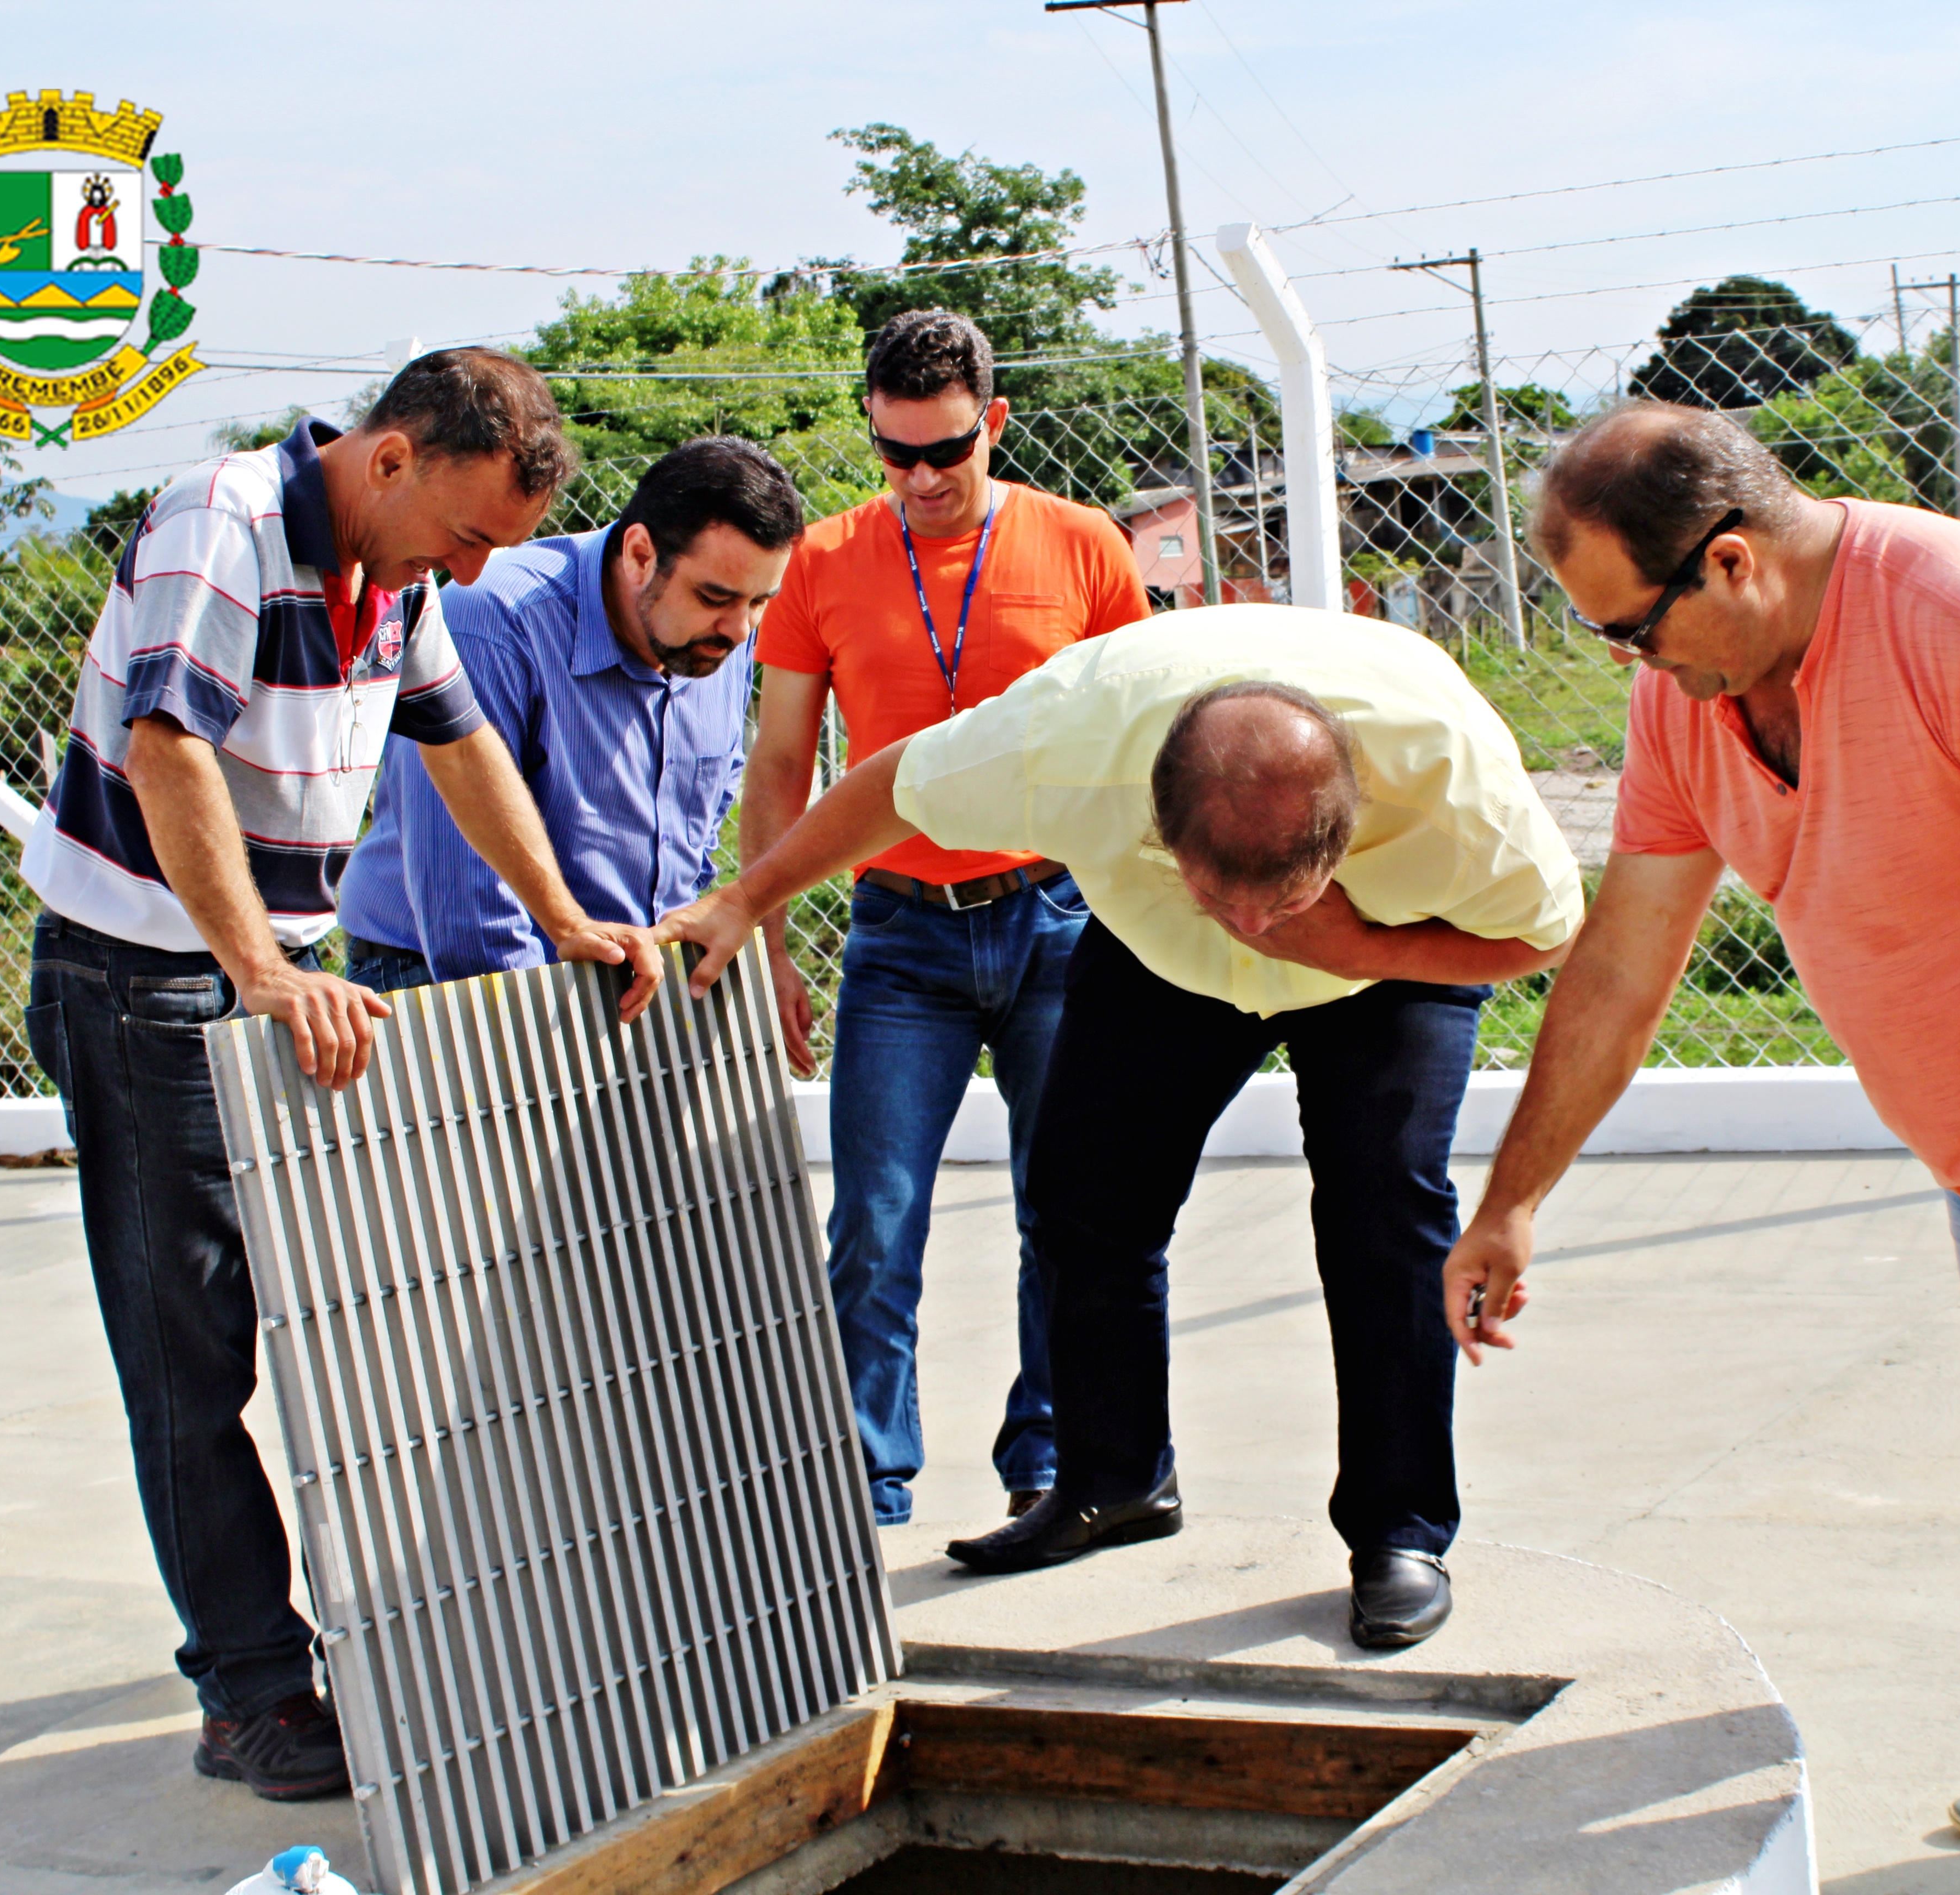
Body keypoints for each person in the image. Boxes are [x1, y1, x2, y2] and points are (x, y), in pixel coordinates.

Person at [1442, 403, 1960, 1895]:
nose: (1627, 667)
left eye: (1629, 631)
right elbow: (1627, 963)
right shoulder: (1691, 700)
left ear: (1735, 564)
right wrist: (1510, 1204)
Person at [658, 605, 1582, 1648]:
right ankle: (1112, 1479)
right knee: (1081, 1195)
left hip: (1384, 956)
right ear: (1159, 825)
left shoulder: (1453, 783)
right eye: (1219, 897)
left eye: (1273, 904)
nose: (1249, 931)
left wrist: (1359, 939)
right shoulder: (1065, 741)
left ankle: (1398, 1532)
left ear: (1345, 832)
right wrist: (745, 898)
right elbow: (889, 786)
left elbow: (1539, 941)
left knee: (1383, 1216)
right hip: (1160, 959)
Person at [20, 349, 663, 1802]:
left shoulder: (405, 570)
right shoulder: (227, 525)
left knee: (332, 1316)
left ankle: (339, 1647)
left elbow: (461, 744)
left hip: (283, 980)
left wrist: (564, 921)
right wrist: (256, 972)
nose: (478, 565)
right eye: (468, 534)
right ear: (390, 460)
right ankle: (248, 1691)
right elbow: (167, 747)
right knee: (189, 1355)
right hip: (149, 982)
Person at [742, 309, 1147, 1528]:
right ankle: (867, 1472)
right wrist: (771, 942)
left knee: (1062, 1207)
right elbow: (777, 766)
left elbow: (1140, 742)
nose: (921, 480)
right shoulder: (821, 562)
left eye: (947, 452)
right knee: (872, 1214)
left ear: (996, 424)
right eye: (894, 455)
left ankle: (1048, 1458)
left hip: (1057, 922)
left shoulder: (1084, 548)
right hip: (899, 933)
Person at [336, 436, 805, 991]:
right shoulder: (496, 620)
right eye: (714, 598)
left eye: (759, 602)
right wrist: (535, 1041)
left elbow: (703, 819)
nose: (740, 629)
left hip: (629, 972)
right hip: (452, 977)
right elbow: (464, 899)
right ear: (639, 555)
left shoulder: (718, 636)